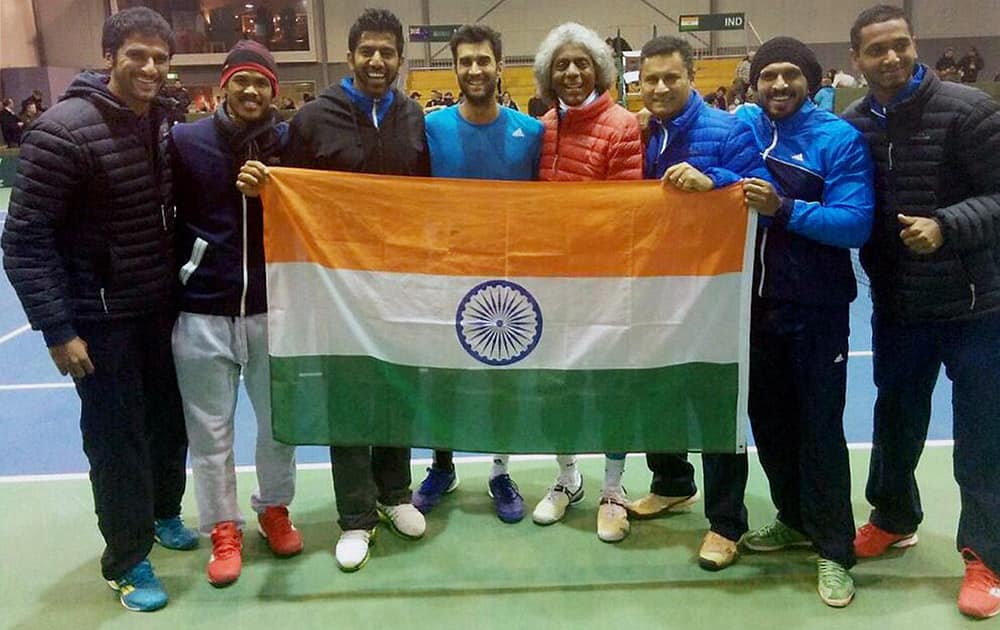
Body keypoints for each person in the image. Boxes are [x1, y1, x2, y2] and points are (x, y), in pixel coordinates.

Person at [1, 7, 196, 612]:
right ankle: (128, 560)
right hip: (100, 321)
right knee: (117, 442)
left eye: (160, 59)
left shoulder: (162, 122)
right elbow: (24, 240)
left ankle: (164, 514)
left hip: (160, 312)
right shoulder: (62, 131)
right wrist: (59, 330)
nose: (149, 68)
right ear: (110, 55)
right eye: (136, 55)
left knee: (170, 426)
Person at [238, 7, 429, 573]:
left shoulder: (413, 117)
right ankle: (356, 517)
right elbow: (289, 189)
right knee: (348, 401)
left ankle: (395, 494)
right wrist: (261, 183)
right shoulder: (315, 118)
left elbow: (426, 196)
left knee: (396, 389)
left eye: (387, 52)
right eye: (367, 51)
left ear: (399, 58)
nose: (377, 60)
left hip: (400, 288)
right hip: (337, 289)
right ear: (351, 56)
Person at [843, 5, 1000, 619]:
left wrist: (947, 226)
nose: (891, 58)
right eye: (876, 50)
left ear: (915, 47)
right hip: (901, 306)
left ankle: (985, 556)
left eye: (900, 46)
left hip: (976, 307)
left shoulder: (969, 109)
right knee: (895, 421)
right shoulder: (854, 124)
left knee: (983, 435)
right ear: (856, 60)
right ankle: (893, 517)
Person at [734, 36, 874, 607]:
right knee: (768, 421)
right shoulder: (744, 126)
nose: (780, 85)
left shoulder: (837, 138)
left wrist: (784, 209)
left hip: (815, 310)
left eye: (791, 75)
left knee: (819, 429)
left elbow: (854, 223)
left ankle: (835, 549)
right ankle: (791, 517)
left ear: (812, 81)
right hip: (752, 308)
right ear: (756, 83)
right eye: (769, 76)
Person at [628, 35, 767, 571]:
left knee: (714, 402)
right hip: (653, 286)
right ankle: (671, 483)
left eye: (671, 78)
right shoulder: (641, 133)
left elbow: (760, 185)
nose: (660, 88)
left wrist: (717, 182)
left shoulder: (731, 129)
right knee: (654, 391)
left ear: (692, 77)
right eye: (650, 79)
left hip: (711, 293)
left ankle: (727, 522)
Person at [170, 40, 301, 588]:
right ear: (223, 85)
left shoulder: (290, 145)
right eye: (241, 80)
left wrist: (277, 188)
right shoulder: (184, 141)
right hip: (201, 311)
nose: (251, 91)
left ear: (275, 90)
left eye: (262, 83)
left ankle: (273, 508)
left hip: (272, 310)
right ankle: (223, 527)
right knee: (210, 432)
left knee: (279, 424)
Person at [412, 24, 543, 525]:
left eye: (483, 60)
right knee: (443, 375)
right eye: (465, 61)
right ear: (455, 68)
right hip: (445, 271)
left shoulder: (529, 133)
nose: (474, 70)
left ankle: (498, 470)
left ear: (498, 65)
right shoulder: (432, 127)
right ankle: (442, 466)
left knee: (501, 379)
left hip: (509, 274)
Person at [529, 22, 642, 542]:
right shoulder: (546, 127)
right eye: (561, 64)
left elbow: (623, 213)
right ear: (548, 75)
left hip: (605, 282)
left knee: (611, 387)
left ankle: (614, 488)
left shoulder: (621, 125)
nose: (572, 72)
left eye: (581, 63)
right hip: (553, 283)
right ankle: (568, 478)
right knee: (559, 385)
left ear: (599, 68)